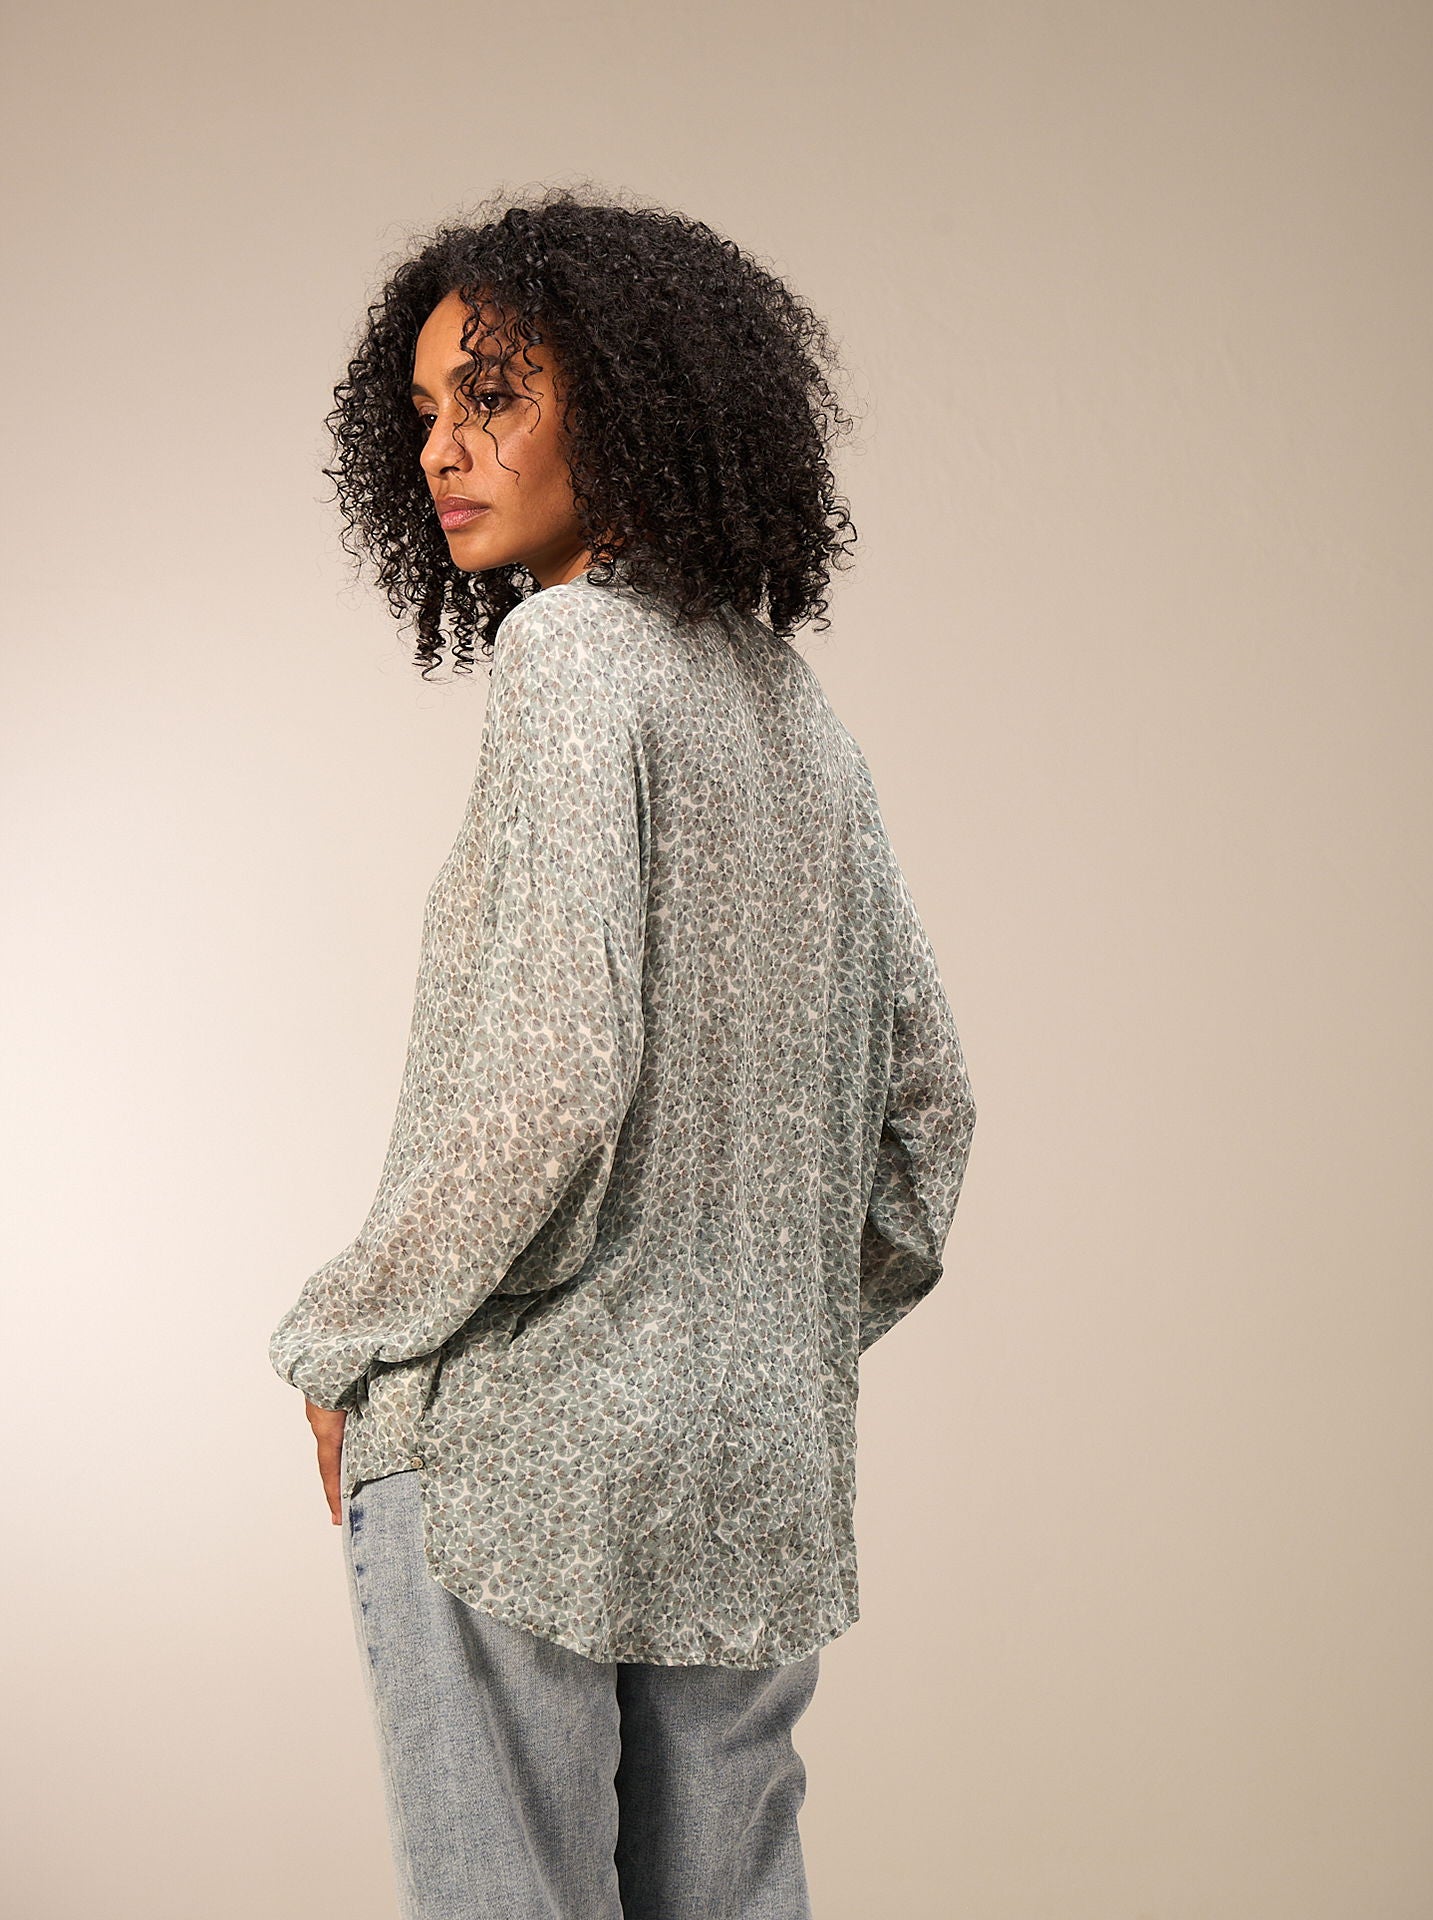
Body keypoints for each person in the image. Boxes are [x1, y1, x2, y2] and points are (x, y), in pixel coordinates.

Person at [267, 184, 977, 1920]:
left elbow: (559, 1075)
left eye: (494, 395)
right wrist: (761, 1331)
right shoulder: (797, 714)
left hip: (518, 1465)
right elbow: (931, 1115)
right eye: (425, 409)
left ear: (636, 402)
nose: (443, 449)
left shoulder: (571, 653)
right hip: (748, 1473)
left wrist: (340, 1338)